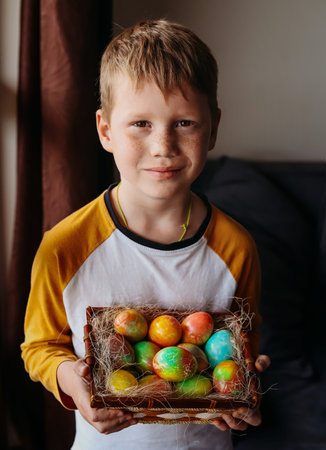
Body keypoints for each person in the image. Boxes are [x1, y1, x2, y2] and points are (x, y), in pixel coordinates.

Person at [21, 19, 270, 450]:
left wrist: (244, 393)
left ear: (213, 128)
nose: (163, 146)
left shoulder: (235, 248)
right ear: (105, 131)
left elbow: (236, 350)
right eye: (140, 124)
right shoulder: (64, 246)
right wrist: (72, 381)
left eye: (185, 123)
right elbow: (40, 346)